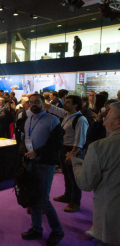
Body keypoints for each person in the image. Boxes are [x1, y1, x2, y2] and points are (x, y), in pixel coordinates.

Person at [67, 101, 120, 245]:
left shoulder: (99, 147)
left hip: (112, 219)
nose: (103, 124)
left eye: (107, 119)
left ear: (118, 123)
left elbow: (86, 183)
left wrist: (76, 162)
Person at [21, 94, 65, 245]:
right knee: (33, 197)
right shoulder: (28, 119)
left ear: (43, 103)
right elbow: (25, 140)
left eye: (37, 102)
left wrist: (37, 153)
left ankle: (57, 231)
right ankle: (36, 228)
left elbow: (56, 144)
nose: (34, 104)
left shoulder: (53, 120)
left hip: (45, 164)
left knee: (43, 200)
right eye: (31, 102)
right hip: (31, 163)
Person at [46, 95, 89, 212]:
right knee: (66, 173)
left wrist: (73, 153)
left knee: (74, 177)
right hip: (64, 148)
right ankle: (67, 195)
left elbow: (80, 139)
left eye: (68, 102)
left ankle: (75, 202)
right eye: (65, 101)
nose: (65, 104)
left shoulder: (80, 119)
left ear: (76, 105)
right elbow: (56, 110)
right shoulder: (67, 115)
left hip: (73, 150)